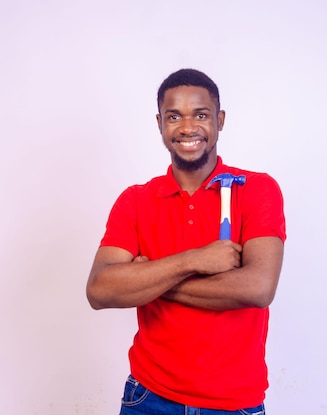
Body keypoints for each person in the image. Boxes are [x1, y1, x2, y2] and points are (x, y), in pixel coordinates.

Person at [86, 68, 286, 414]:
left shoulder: (257, 190)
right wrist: (192, 261)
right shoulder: (135, 201)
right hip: (148, 398)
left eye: (201, 114)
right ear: (160, 123)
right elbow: (101, 290)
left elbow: (257, 288)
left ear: (220, 120)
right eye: (174, 116)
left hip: (234, 405)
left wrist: (149, 279)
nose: (188, 128)